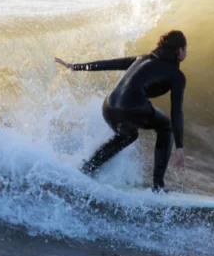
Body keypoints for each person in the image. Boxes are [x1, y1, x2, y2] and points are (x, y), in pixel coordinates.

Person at [54, 30, 188, 191]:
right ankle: (158, 185)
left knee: (128, 135)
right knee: (165, 126)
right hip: (132, 107)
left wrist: (75, 66)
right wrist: (179, 147)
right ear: (179, 51)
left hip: (109, 106)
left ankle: (87, 169)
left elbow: (110, 64)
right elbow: (176, 111)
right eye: (185, 49)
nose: (186, 52)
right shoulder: (177, 75)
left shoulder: (142, 59)